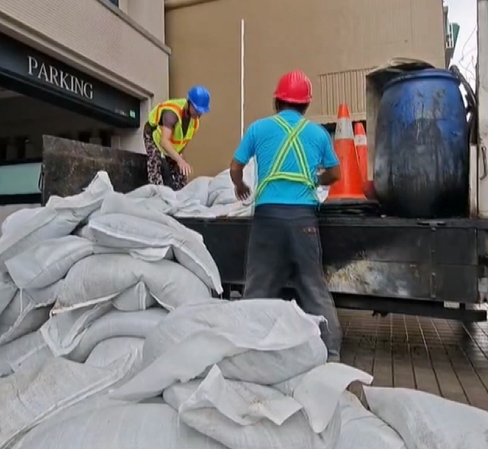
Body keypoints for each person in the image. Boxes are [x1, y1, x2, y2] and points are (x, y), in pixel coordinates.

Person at [229, 70, 344, 362]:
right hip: (304, 220)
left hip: (267, 218)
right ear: (306, 105)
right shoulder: (317, 134)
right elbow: (336, 173)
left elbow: (235, 167)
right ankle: (331, 353)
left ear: (276, 101)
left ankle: (246, 350)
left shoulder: (258, 129)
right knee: (313, 287)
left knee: (258, 286)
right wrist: (315, 181)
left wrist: (240, 185)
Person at [143, 85, 210, 190]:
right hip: (154, 134)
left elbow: (183, 142)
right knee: (155, 163)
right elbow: (164, 141)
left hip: (171, 143)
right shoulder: (171, 113)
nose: (199, 113)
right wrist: (179, 160)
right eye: (197, 109)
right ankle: (157, 195)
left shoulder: (194, 123)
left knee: (180, 174)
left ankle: (180, 198)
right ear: (189, 103)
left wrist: (178, 159)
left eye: (201, 111)